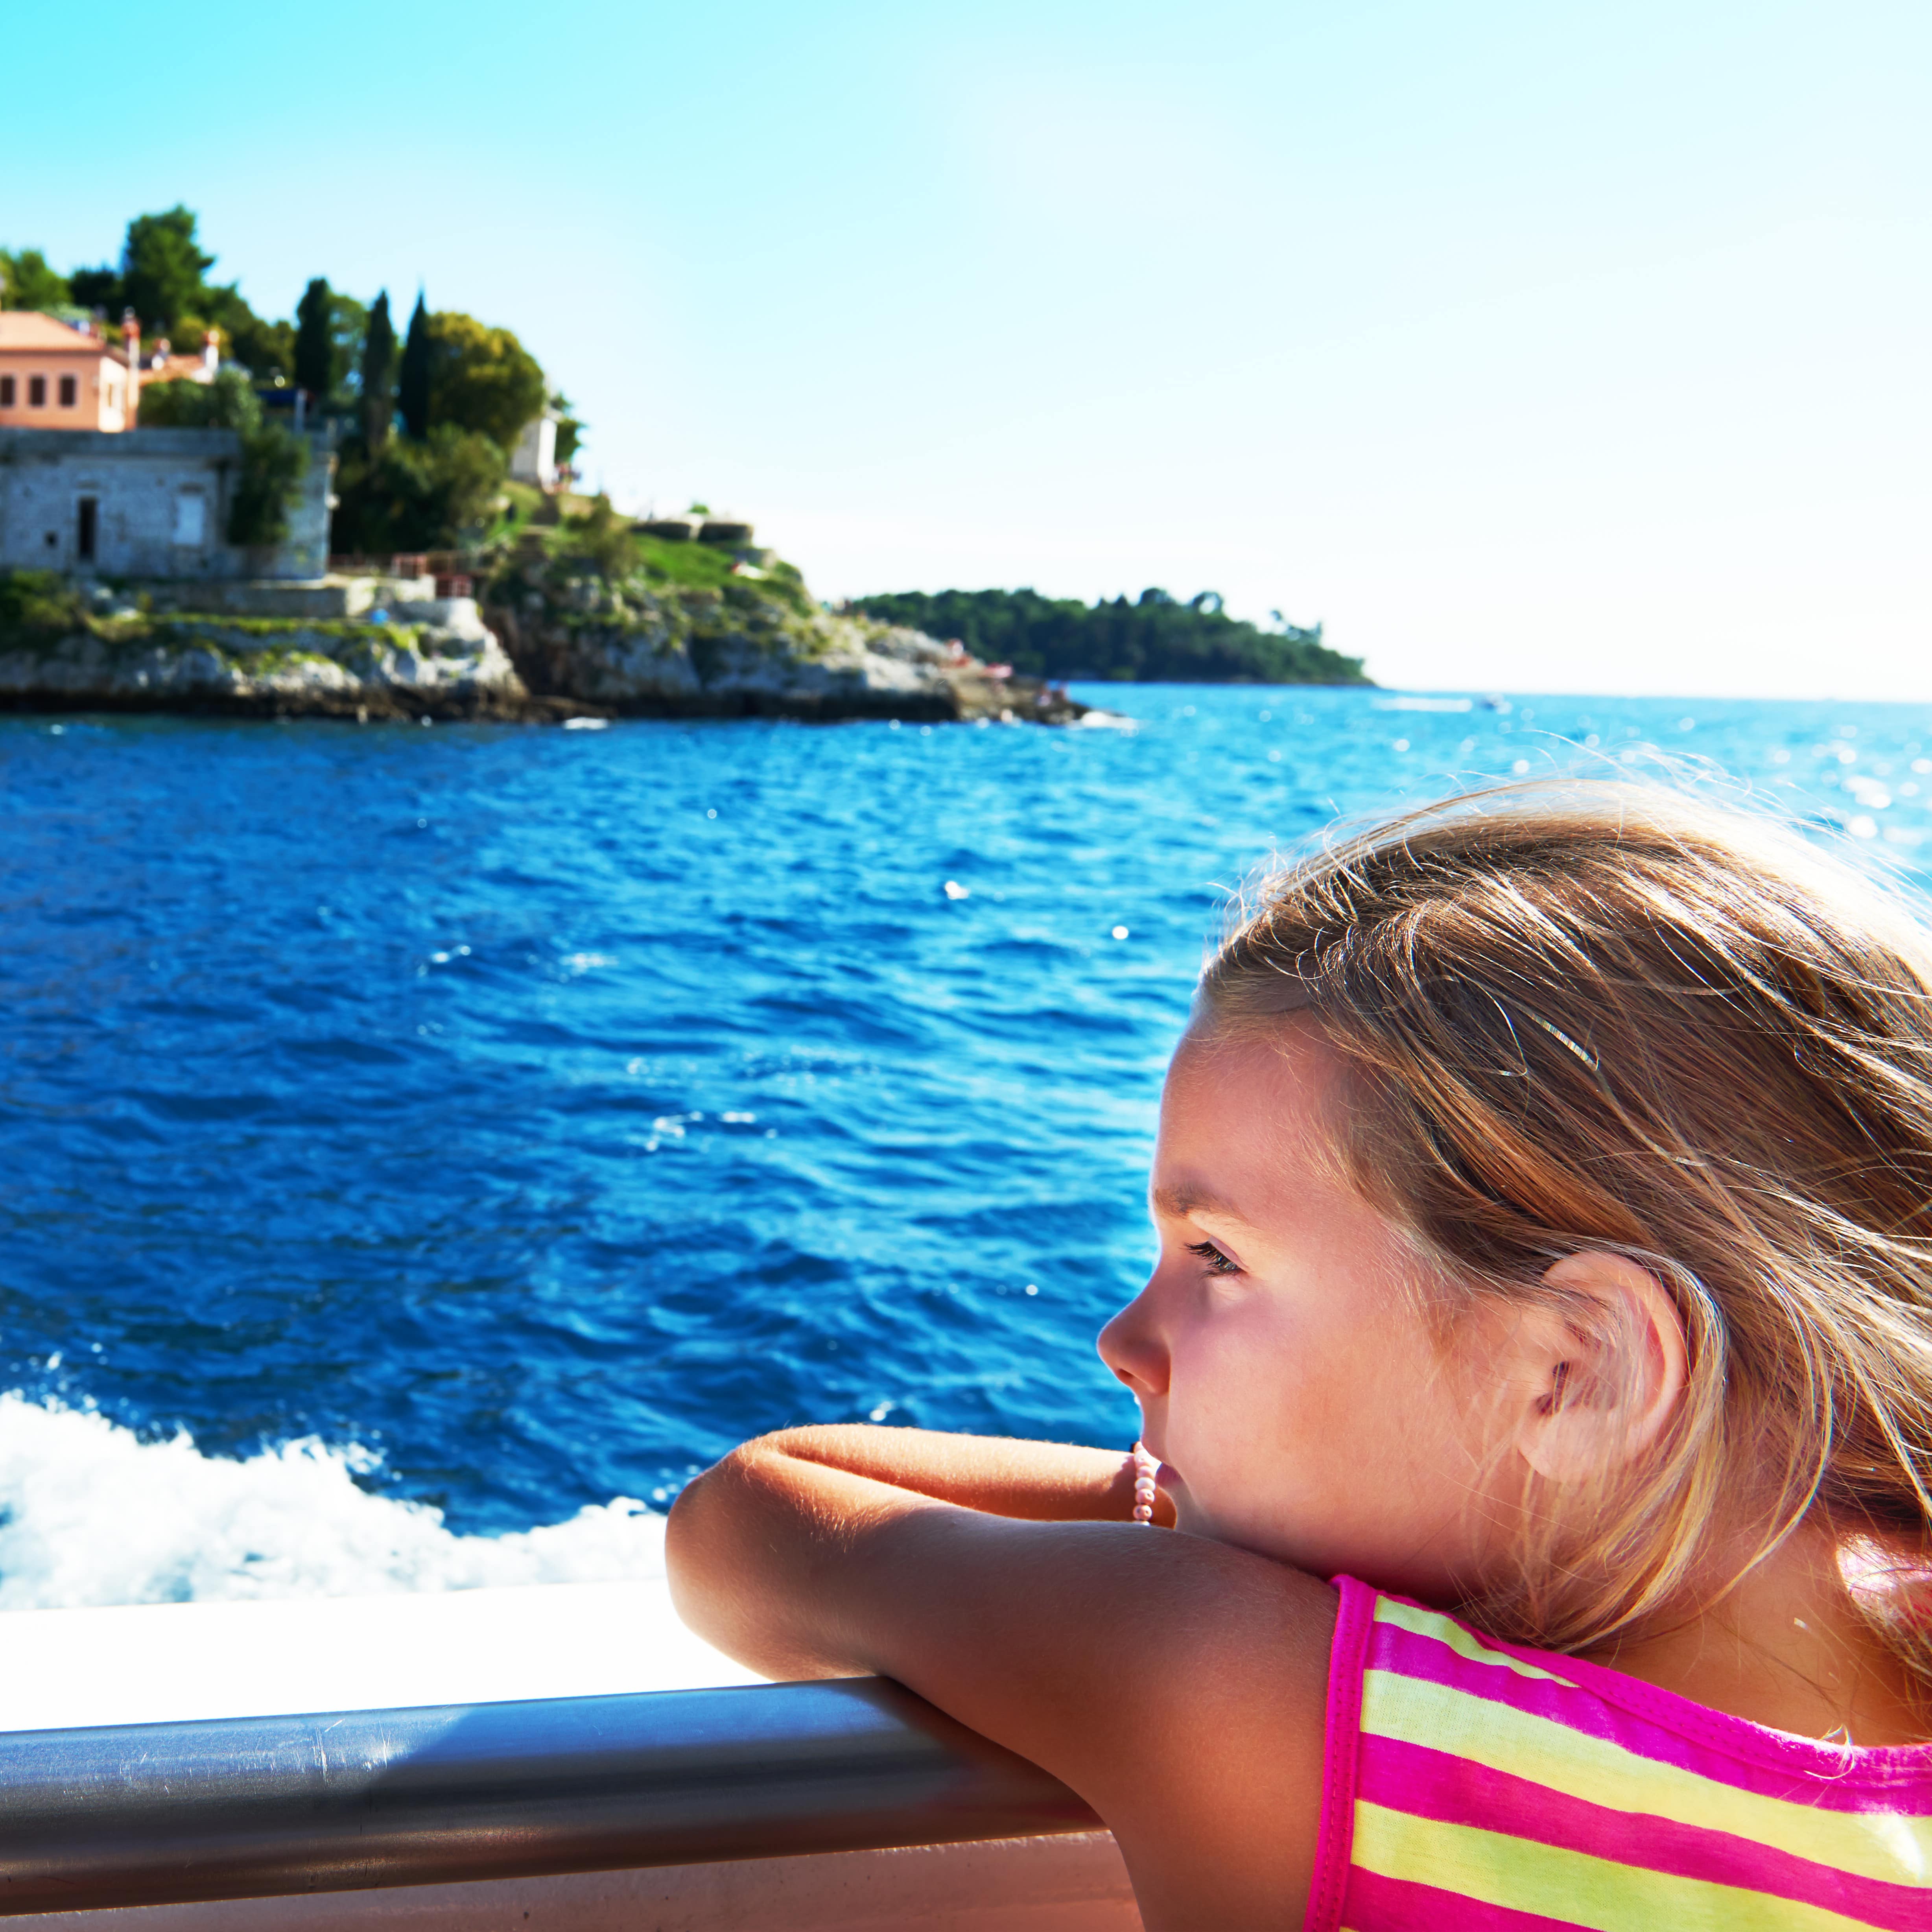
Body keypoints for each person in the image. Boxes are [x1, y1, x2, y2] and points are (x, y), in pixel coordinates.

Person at [667, 781, 1932, 1930]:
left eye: (1215, 1256)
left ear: (1575, 1372)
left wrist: (1179, 1511)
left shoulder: (1253, 1696)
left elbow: (748, 1518)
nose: (1122, 1343)